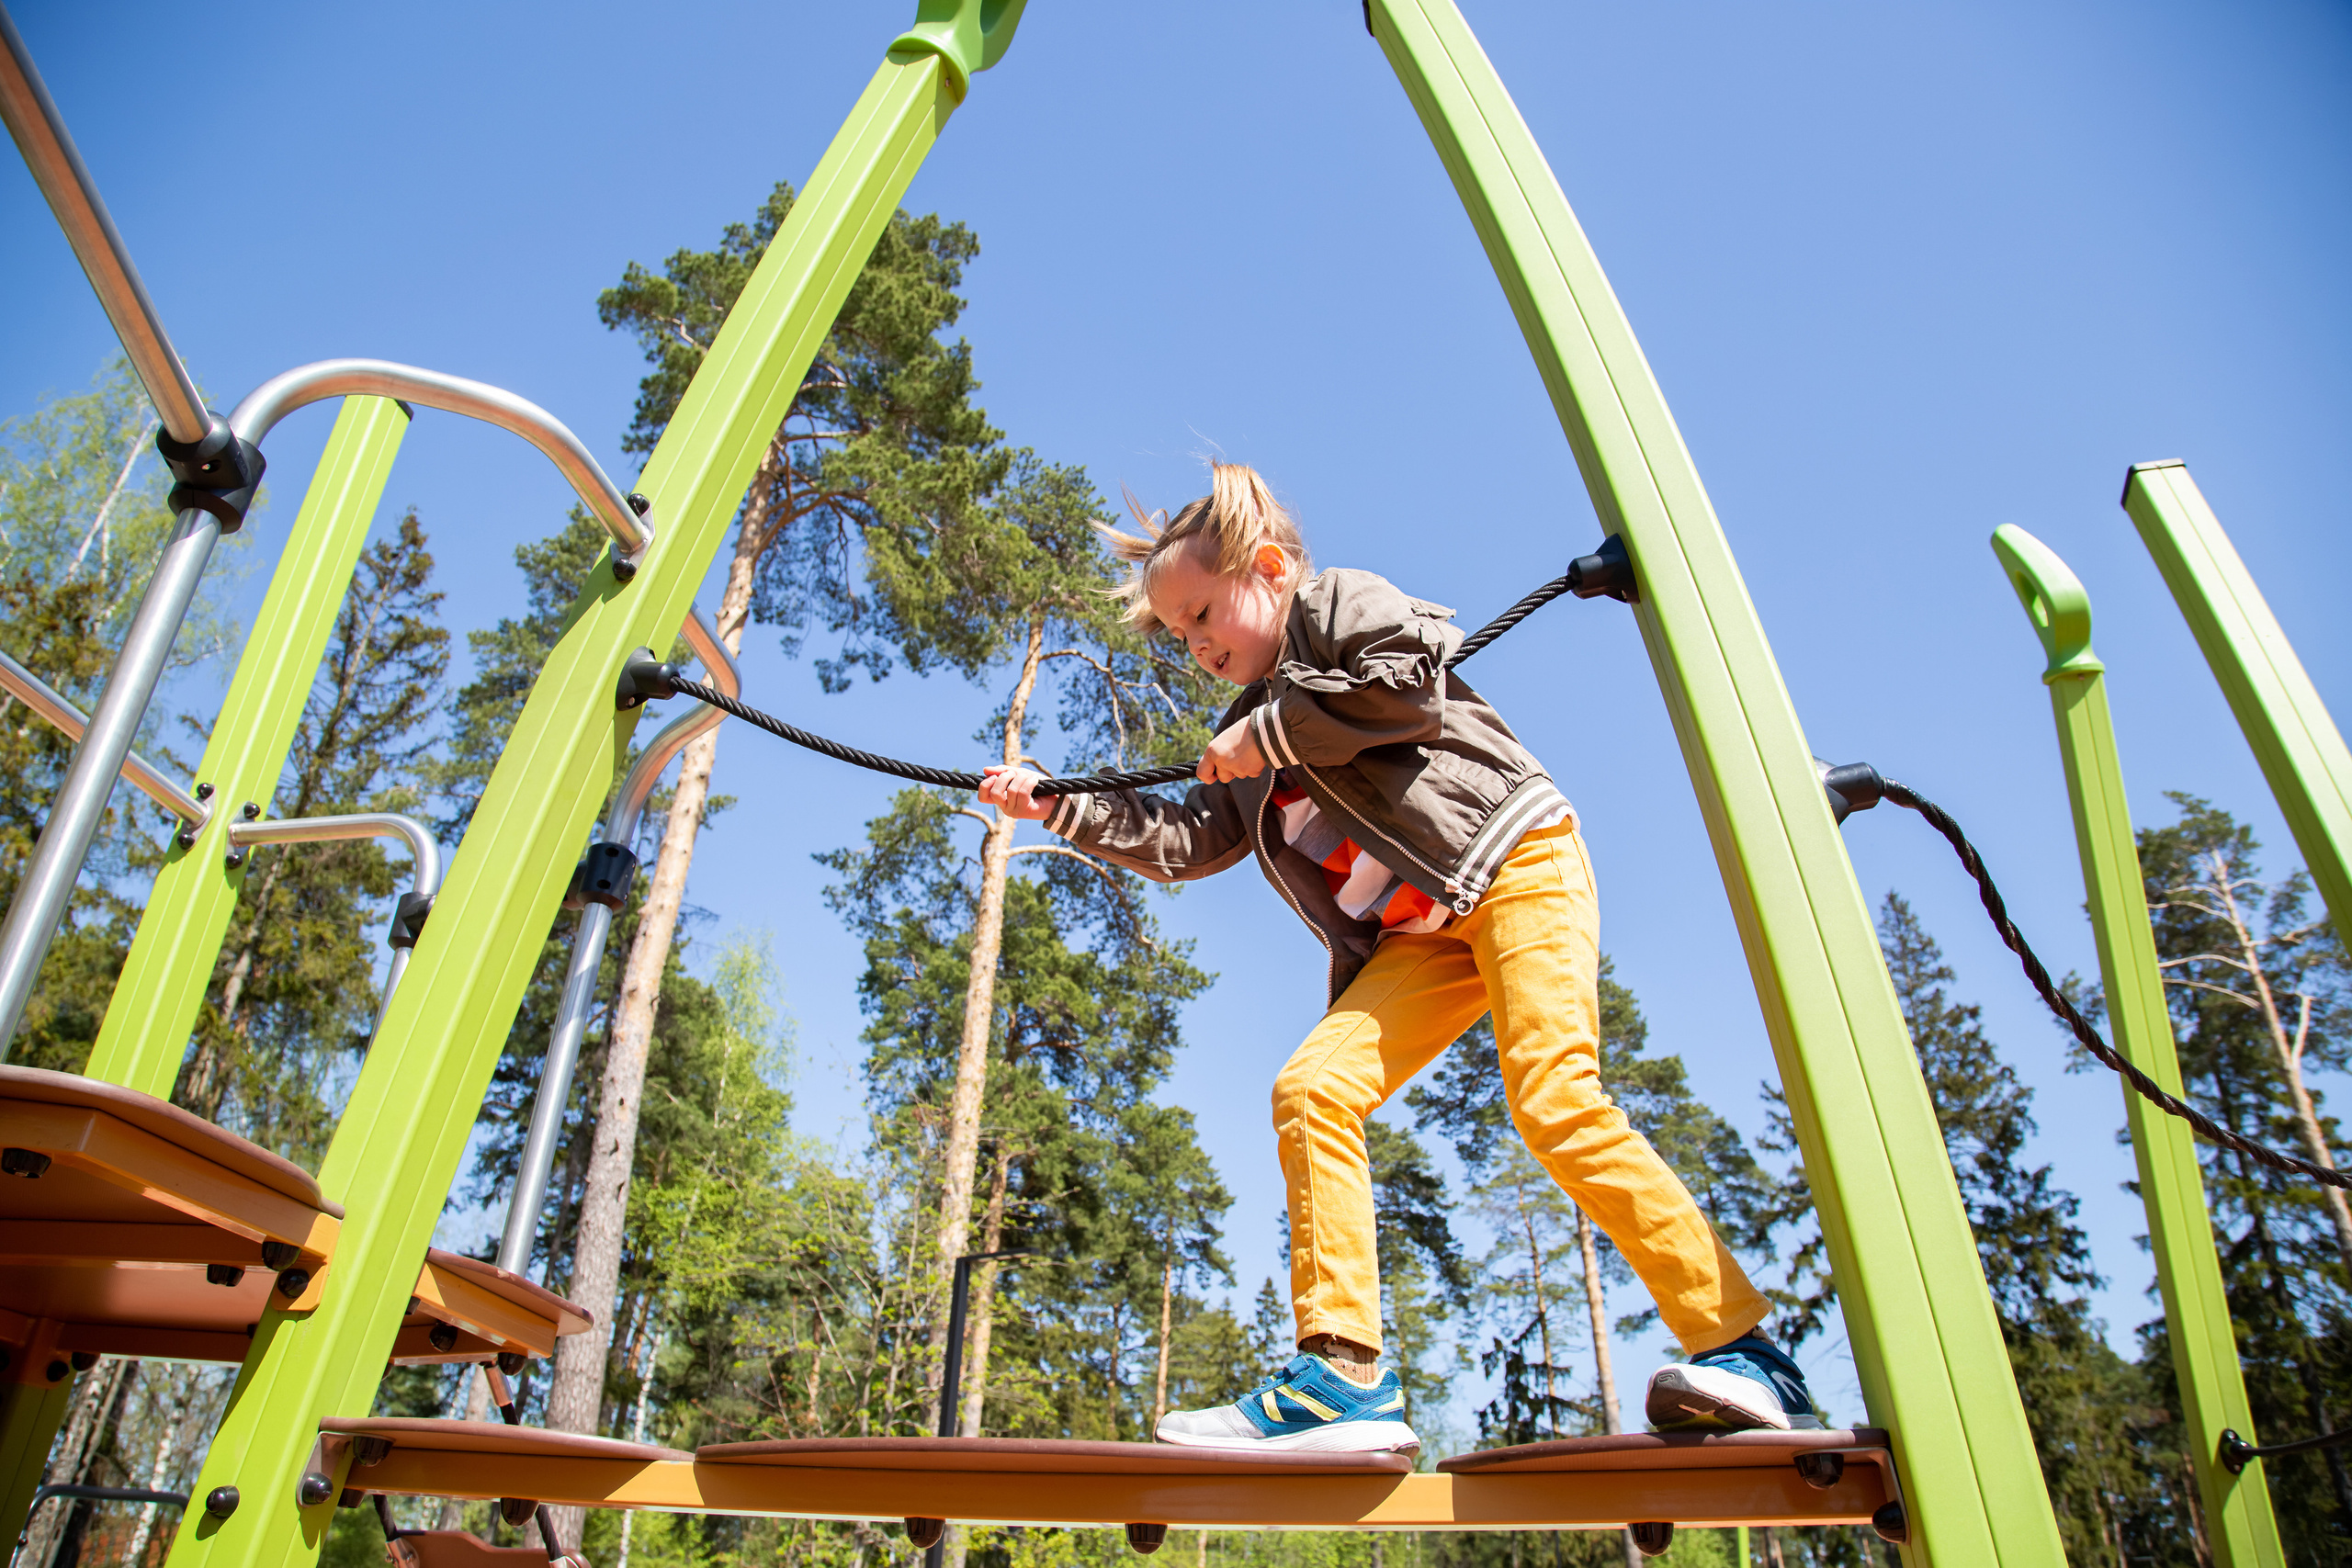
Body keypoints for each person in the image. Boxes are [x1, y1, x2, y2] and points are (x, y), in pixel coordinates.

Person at [978, 463, 1818, 1454]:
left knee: (1553, 1099)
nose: (1198, 646)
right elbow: (1191, 839)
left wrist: (1276, 732)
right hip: (1425, 940)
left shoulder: (1336, 607)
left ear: (1271, 567)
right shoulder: (1234, 739)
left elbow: (1405, 687)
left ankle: (1747, 1350)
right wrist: (1061, 805)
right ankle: (1342, 1378)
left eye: (1204, 614)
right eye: (1182, 635)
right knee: (1312, 1091)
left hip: (1514, 860)